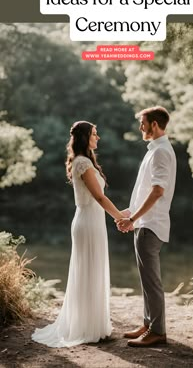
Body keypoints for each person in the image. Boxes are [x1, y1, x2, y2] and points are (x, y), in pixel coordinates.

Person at [32, 120, 124, 347]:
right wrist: (120, 217)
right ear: (85, 137)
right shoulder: (82, 163)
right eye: (94, 133)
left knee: (93, 271)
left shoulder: (85, 162)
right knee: (88, 272)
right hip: (87, 223)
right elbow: (99, 198)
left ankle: (95, 325)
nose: (98, 137)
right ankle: (86, 327)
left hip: (93, 222)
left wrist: (119, 215)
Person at [116, 106, 176, 347]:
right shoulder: (155, 150)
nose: (140, 127)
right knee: (146, 279)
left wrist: (133, 219)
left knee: (152, 281)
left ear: (154, 124)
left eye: (143, 123)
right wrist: (131, 213)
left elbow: (158, 192)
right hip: (144, 221)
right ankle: (148, 323)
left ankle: (158, 331)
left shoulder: (161, 151)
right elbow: (144, 190)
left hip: (151, 224)